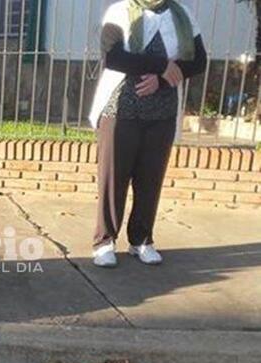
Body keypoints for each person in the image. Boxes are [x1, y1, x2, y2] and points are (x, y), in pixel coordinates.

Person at [88, 0, 207, 267]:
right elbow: (114, 57)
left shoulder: (182, 15)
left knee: (150, 178)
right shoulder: (119, 11)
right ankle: (104, 241)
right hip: (120, 108)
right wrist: (161, 66)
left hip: (162, 111)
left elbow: (199, 60)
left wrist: (163, 78)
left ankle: (141, 239)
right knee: (113, 178)